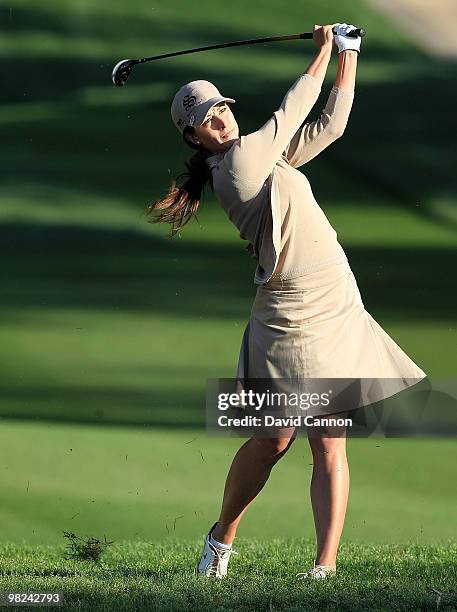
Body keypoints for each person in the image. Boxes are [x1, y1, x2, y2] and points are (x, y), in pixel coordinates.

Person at [149, 23, 426, 579]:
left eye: (221, 108)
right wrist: (323, 48)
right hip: (286, 314)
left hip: (335, 300)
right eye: (207, 119)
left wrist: (349, 55)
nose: (220, 118)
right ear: (195, 138)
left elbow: (330, 124)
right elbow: (295, 107)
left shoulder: (265, 158)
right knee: (275, 436)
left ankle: (324, 567)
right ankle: (222, 533)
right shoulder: (239, 166)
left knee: (331, 439)